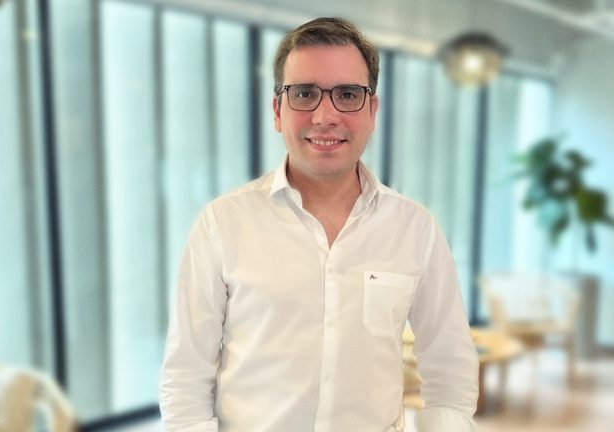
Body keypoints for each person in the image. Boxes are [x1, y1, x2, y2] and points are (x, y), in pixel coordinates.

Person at [159, 17, 478, 432]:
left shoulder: (415, 229)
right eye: (305, 94)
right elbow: (186, 375)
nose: (325, 116)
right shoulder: (222, 223)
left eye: (347, 94)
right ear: (278, 111)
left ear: (372, 111)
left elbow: (450, 368)